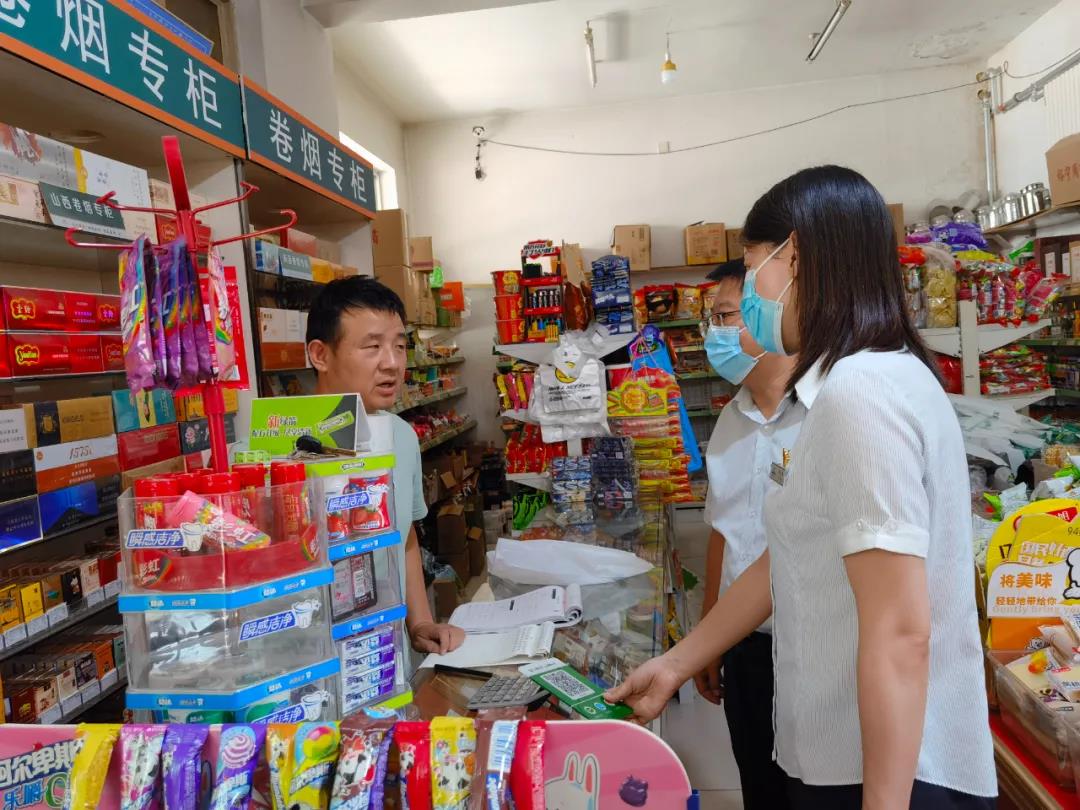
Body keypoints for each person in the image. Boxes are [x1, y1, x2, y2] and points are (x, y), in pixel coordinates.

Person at [607, 166, 997, 809]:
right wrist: (677, 662)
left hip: (880, 772)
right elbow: (790, 555)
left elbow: (901, 631)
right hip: (848, 755)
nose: (749, 298)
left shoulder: (859, 392)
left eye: (753, 267)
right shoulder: (878, 376)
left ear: (795, 257)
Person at [306, 276, 465, 655]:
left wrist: (420, 622)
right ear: (321, 355)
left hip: (384, 654)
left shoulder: (401, 436)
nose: (392, 363)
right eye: (373, 346)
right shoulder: (271, 446)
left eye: (399, 346)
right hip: (309, 655)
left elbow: (404, 536)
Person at [697, 257, 803, 810]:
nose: (713, 335)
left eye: (724, 318)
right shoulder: (730, 421)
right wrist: (708, 638)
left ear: (771, 315)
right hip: (745, 649)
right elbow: (723, 532)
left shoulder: (825, 413)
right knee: (759, 787)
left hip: (811, 647)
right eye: (712, 321)